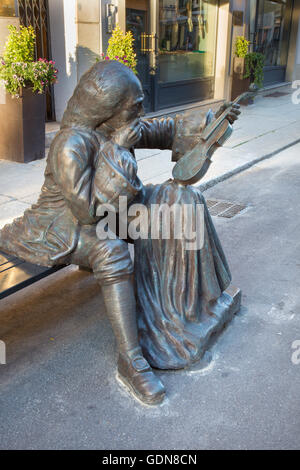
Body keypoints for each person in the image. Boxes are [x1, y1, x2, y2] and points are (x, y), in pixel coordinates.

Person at [0, 60, 240, 404]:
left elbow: (164, 129)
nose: (140, 110)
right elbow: (87, 212)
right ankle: (132, 360)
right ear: (107, 110)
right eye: (134, 105)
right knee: (109, 249)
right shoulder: (70, 145)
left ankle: (194, 307)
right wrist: (115, 150)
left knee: (180, 201)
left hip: (110, 210)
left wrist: (210, 124)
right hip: (61, 226)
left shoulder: (121, 124)